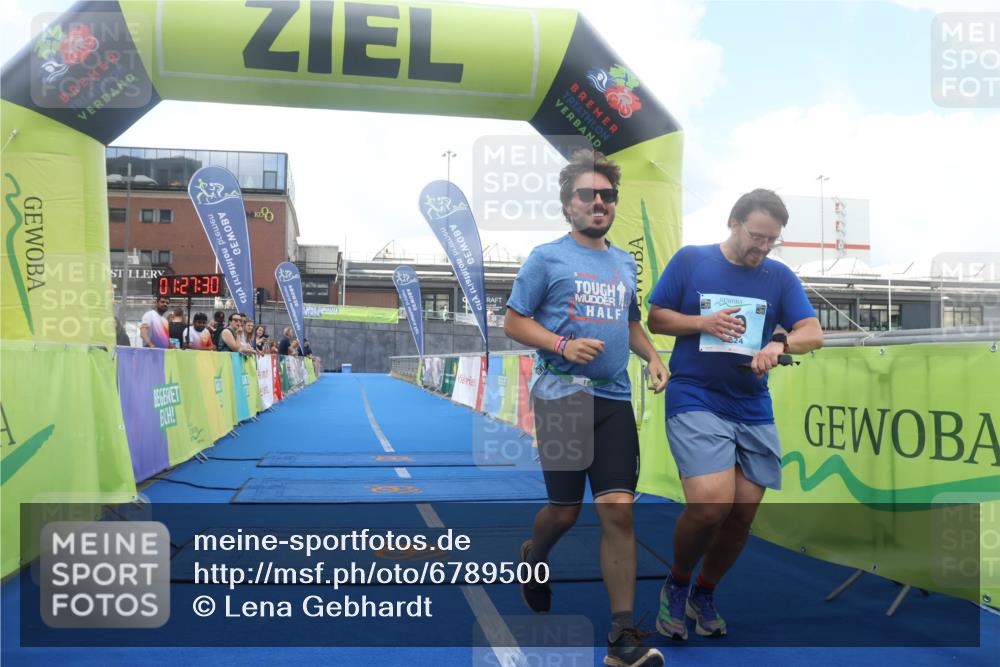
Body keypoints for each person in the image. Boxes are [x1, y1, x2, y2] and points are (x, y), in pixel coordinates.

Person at [504, 149, 668, 667]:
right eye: (587, 195)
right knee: (566, 511)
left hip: (614, 399)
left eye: (607, 196)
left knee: (617, 511)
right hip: (562, 398)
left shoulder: (623, 262)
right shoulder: (545, 258)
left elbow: (631, 322)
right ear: (567, 204)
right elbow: (513, 322)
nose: (599, 202)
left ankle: (622, 638)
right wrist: (560, 344)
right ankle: (535, 555)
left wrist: (653, 357)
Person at [647, 188, 823, 640]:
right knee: (710, 504)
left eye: (771, 241)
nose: (762, 248)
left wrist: (779, 343)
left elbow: (813, 332)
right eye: (756, 236)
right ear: (734, 222)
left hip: (750, 403)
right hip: (695, 394)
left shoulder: (779, 277)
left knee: (743, 511)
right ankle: (678, 584)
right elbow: (657, 318)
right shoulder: (692, 260)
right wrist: (701, 323)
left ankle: (705, 591)